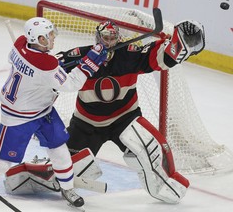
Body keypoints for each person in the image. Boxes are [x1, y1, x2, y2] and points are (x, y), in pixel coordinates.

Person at [0, 17, 107, 212]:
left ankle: (68, 190)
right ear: (37, 39)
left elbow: (40, 69)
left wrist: (46, 75)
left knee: (59, 151)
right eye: (48, 36)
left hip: (42, 110)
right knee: (1, 162)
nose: (53, 39)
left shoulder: (20, 43)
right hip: (17, 117)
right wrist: (90, 62)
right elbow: (71, 84)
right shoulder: (45, 63)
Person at [56, 19, 205, 203]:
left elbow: (162, 57)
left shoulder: (129, 54)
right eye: (105, 38)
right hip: (87, 123)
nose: (108, 42)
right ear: (97, 38)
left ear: (118, 39)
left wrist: (182, 39)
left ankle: (170, 186)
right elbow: (52, 70)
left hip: (124, 119)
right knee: (63, 172)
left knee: (152, 150)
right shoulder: (80, 56)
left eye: (112, 38)